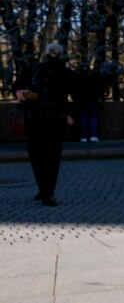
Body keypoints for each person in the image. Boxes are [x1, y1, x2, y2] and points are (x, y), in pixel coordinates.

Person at [13, 43, 78, 207]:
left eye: (55, 53)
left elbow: (77, 94)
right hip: (37, 119)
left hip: (52, 120)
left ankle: (48, 191)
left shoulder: (64, 73)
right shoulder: (35, 69)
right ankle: (44, 189)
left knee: (50, 157)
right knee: (38, 156)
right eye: (52, 52)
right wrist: (20, 92)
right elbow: (17, 85)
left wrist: (69, 114)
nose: (53, 55)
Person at [74, 65, 104, 142]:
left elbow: (75, 90)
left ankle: (84, 136)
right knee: (93, 117)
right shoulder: (93, 76)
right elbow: (99, 87)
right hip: (92, 100)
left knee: (83, 118)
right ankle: (93, 135)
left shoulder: (78, 77)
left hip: (81, 101)